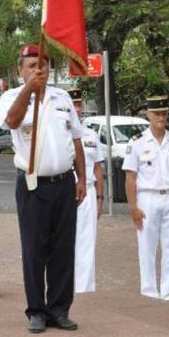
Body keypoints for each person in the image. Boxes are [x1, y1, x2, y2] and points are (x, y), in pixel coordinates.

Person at [0, 44, 87, 334]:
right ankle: (36, 310)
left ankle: (59, 309)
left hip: (63, 183)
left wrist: (82, 179)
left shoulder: (62, 98)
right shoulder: (11, 97)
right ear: (19, 71)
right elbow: (11, 122)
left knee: (63, 250)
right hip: (32, 184)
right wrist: (28, 91)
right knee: (34, 250)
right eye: (32, 65)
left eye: (43, 66)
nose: (39, 70)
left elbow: (76, 140)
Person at [123, 95, 169, 302]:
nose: (161, 117)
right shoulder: (138, 142)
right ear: (148, 115)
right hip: (147, 198)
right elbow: (130, 177)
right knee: (147, 246)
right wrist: (133, 206)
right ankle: (149, 290)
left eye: (164, 113)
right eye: (157, 113)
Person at [68, 88, 105, 293]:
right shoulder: (61, 133)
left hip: (89, 190)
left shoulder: (91, 134)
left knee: (87, 238)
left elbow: (98, 167)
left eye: (80, 105)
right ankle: (68, 283)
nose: (77, 109)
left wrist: (100, 198)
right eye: (74, 105)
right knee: (66, 239)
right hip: (66, 190)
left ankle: (85, 285)